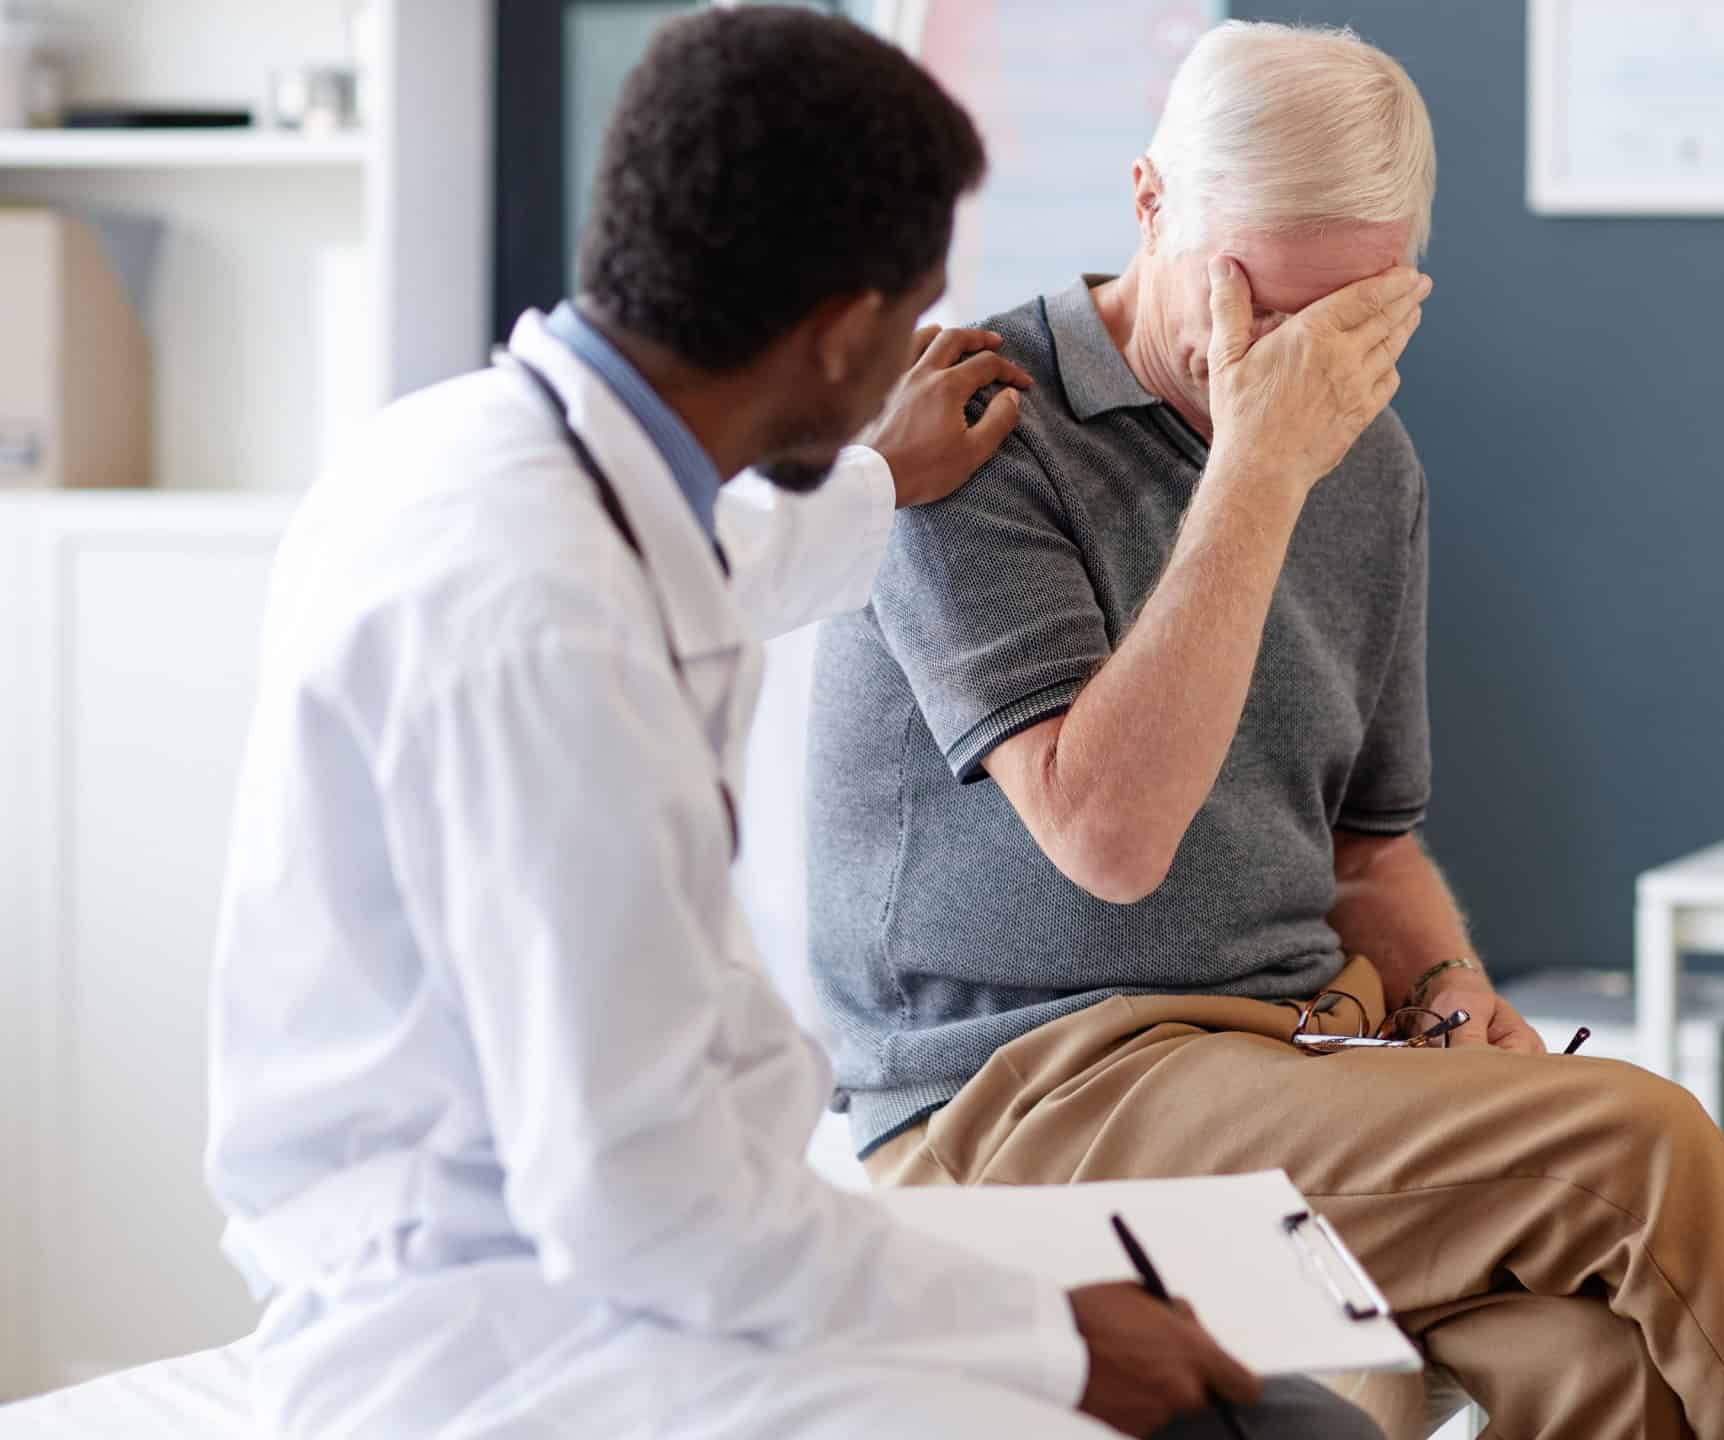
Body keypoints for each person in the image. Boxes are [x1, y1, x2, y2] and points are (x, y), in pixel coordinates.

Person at [201, 10, 1387, 1439]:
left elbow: (708, 565)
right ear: (842, 340)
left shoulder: (473, 455)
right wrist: (1051, 1337)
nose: (941, 337)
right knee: (1277, 1423)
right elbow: (639, 1198)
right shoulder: (543, 631)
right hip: (510, 1316)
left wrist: (873, 482)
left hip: (594, 1236)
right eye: (917, 310)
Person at [806, 20, 1724, 1440]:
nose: (1296, 366)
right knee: (1635, 1145)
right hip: (1017, 1103)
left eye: (1357, 316)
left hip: (1290, 1057)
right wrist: (1261, 470)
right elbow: (1108, 836)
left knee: (1596, 1367)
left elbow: (1364, 848)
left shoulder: (1363, 456)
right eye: (1262, 308)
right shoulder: (978, 429)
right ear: (1150, 200)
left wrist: (1453, 987)